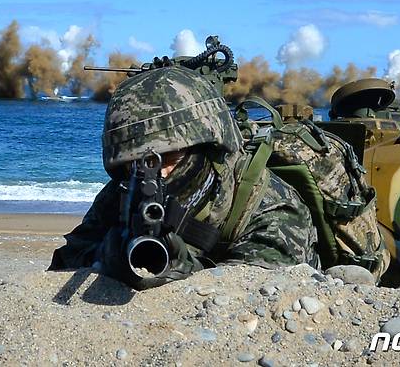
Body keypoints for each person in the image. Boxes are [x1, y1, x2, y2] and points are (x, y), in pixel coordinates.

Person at [49, 65, 319, 290]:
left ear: (209, 148)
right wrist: (103, 257)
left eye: (167, 158)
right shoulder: (125, 189)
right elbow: (66, 260)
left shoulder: (271, 205)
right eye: (136, 163)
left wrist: (189, 271)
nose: (157, 175)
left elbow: (254, 294)